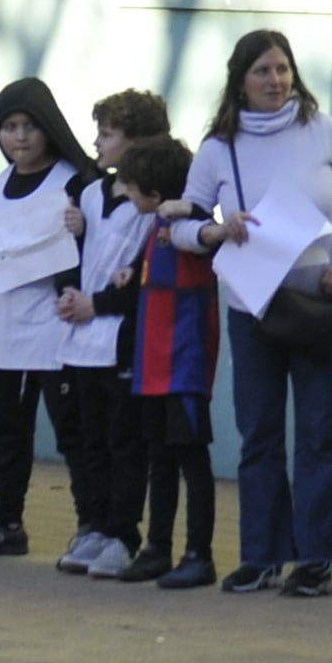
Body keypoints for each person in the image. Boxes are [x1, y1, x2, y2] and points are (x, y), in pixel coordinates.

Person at [182, 29, 332, 596]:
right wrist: (218, 229)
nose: (275, 81)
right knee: (259, 434)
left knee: (319, 432)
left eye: (283, 69)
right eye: (262, 71)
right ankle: (261, 556)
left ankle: (316, 559)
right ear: (239, 81)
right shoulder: (219, 147)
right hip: (253, 308)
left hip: (319, 305)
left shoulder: (324, 131)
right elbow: (181, 225)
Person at [0, 79, 107, 561]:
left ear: (48, 130)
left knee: (72, 431)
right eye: (9, 127)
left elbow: (103, 244)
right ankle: (6, 521)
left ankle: (93, 524)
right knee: (8, 427)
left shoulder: (74, 182)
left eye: (29, 127)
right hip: (6, 324)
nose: (19, 138)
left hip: (55, 325)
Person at [107, 133, 223, 588]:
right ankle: (157, 547)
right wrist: (131, 273)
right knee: (159, 459)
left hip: (183, 367)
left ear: (155, 194)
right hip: (152, 368)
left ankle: (199, 553)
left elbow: (208, 241)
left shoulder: (190, 226)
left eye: (129, 186)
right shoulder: (156, 227)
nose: (123, 192)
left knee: (191, 462)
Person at [48, 91, 152, 577]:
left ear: (136, 143)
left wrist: (99, 304)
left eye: (107, 134)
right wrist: (71, 293)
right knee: (89, 440)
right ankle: (94, 526)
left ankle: (123, 535)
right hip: (81, 339)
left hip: (120, 339)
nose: (97, 143)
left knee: (124, 442)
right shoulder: (90, 195)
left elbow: (139, 278)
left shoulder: (152, 204)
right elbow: (83, 262)